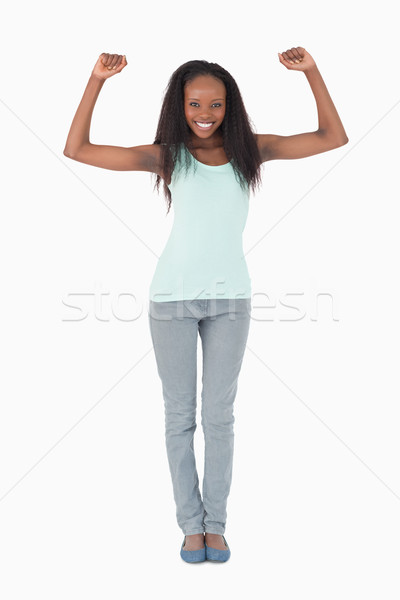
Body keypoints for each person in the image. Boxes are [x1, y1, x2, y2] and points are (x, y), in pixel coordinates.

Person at [63, 48, 348, 563]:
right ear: (180, 104)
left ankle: (215, 526)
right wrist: (95, 80)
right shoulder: (166, 154)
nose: (205, 114)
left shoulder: (250, 151)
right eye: (195, 103)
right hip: (170, 299)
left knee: (220, 416)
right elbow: (78, 149)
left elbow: (333, 137)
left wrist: (311, 72)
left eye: (215, 105)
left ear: (229, 107)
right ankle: (189, 527)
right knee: (179, 417)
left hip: (231, 302)